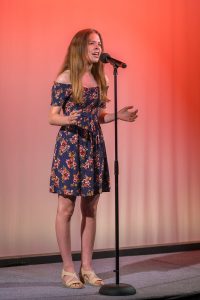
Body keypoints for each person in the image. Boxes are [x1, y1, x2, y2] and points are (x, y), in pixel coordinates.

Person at [48, 28, 138, 289]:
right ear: (80, 47)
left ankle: (86, 267)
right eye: (92, 43)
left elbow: (99, 116)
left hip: (93, 145)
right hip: (70, 145)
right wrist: (68, 119)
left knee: (91, 209)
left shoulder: (103, 78)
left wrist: (117, 115)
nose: (98, 48)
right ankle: (67, 269)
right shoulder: (65, 77)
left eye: (99, 43)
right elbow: (52, 116)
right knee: (66, 208)